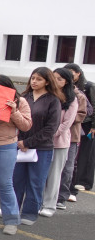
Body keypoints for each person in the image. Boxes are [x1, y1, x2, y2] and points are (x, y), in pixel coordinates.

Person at [13, 67, 62, 226]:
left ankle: (29, 213)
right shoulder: (24, 97)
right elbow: (15, 120)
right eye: (33, 78)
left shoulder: (53, 100)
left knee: (36, 182)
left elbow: (51, 128)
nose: (34, 81)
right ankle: (13, 209)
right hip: (19, 146)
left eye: (39, 79)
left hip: (41, 148)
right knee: (16, 180)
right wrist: (20, 141)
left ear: (47, 81)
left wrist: (28, 142)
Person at [0, 75, 32, 234]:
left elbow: (26, 126)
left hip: (7, 144)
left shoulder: (21, 102)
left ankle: (11, 221)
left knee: (5, 183)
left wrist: (14, 112)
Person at [38, 68, 79, 217]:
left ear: (67, 81)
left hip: (59, 142)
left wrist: (50, 135)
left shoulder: (72, 99)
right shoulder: (47, 95)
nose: (56, 81)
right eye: (54, 78)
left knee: (54, 174)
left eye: (60, 79)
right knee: (40, 173)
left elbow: (66, 123)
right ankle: (37, 202)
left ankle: (49, 205)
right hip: (42, 141)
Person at [56, 72, 87, 208]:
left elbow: (83, 114)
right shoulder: (51, 94)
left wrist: (68, 118)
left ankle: (62, 196)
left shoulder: (78, 96)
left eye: (59, 78)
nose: (56, 81)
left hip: (72, 135)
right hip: (52, 135)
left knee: (67, 167)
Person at [66, 63, 95, 194]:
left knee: (87, 154)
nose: (69, 74)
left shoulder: (88, 86)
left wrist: (94, 126)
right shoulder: (68, 86)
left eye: (72, 71)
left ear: (79, 73)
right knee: (76, 154)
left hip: (88, 124)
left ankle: (85, 182)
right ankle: (75, 180)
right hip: (76, 123)